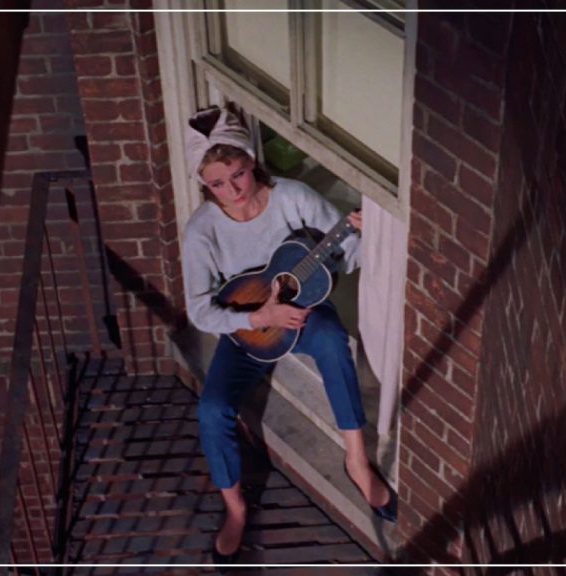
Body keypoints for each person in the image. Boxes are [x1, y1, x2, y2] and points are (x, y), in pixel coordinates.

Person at [180, 107, 396, 564]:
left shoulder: (294, 197)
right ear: (206, 185)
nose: (232, 191)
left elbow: (351, 254)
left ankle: (356, 461)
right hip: (248, 326)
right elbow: (199, 309)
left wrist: (356, 237)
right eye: (218, 184)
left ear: (252, 163)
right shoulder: (202, 230)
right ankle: (235, 508)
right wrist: (256, 318)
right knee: (212, 408)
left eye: (238, 174)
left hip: (302, 311)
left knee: (334, 344)